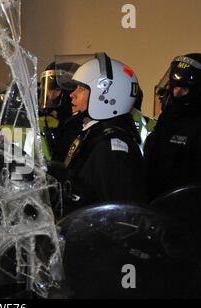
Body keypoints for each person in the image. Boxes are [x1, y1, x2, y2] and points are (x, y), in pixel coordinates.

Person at [54, 52, 148, 215]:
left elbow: (119, 215)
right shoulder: (93, 134)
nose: (72, 94)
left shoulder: (112, 149)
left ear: (106, 96)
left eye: (81, 89)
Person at [144, 53, 201, 200]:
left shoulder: (200, 124)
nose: (176, 93)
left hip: (190, 209)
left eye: (184, 89)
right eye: (174, 87)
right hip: (158, 204)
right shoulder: (168, 117)